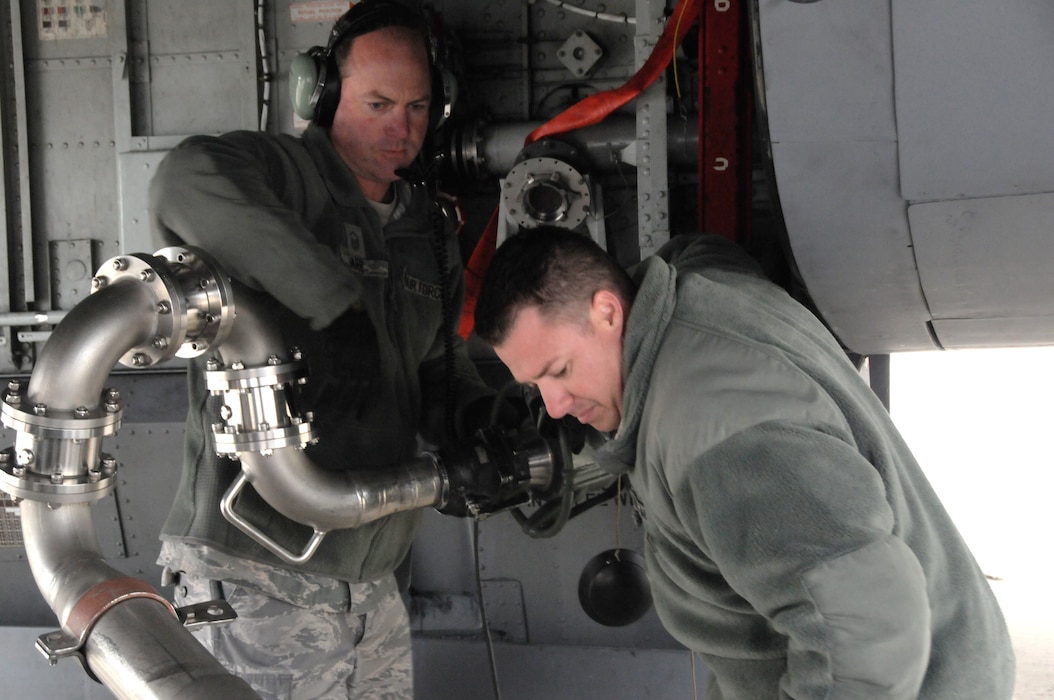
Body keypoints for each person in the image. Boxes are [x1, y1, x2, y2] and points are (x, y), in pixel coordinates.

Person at [473, 226, 1016, 699]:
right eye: (535, 385)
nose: (555, 405)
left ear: (609, 312)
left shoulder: (720, 429)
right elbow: (703, 250)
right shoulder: (694, 294)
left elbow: (868, 625)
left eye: (560, 370)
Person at [148, 2, 496, 698]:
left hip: (371, 582)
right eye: (377, 103)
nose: (401, 130)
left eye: (419, 107)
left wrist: (485, 419)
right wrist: (335, 308)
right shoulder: (283, 175)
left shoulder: (428, 228)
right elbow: (181, 180)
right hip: (255, 574)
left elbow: (437, 369)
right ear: (325, 95)